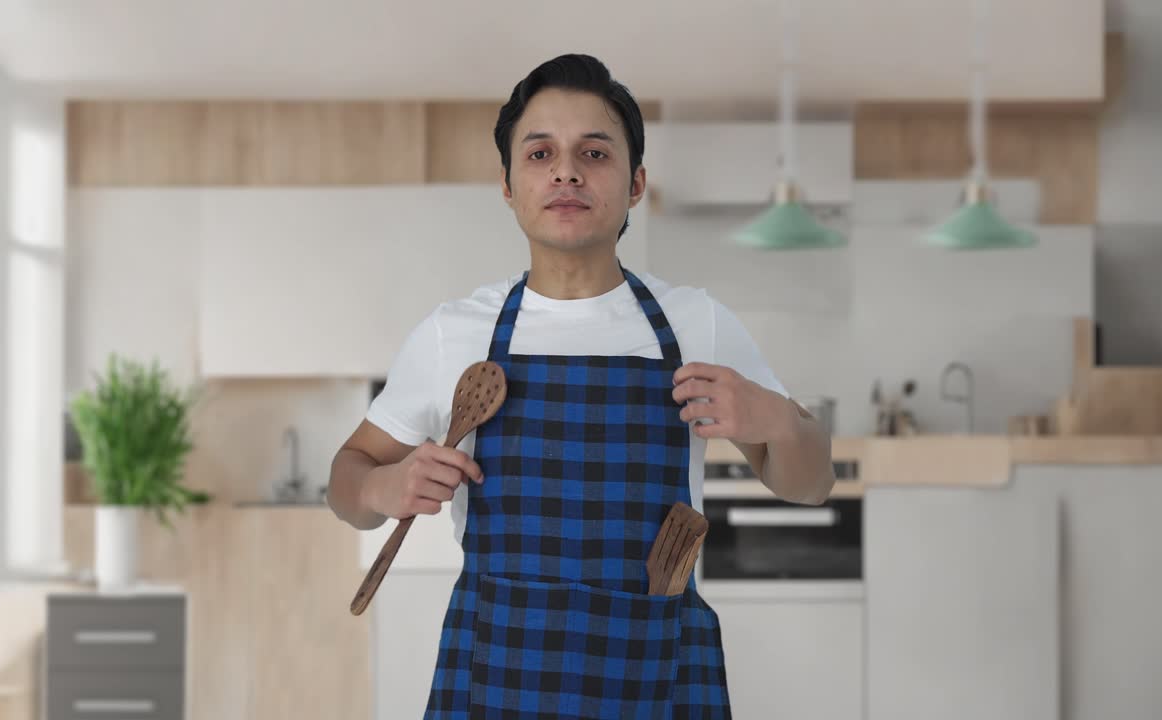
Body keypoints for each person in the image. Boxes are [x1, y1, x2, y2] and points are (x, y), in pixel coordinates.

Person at [328, 53, 835, 719]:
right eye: (539, 154)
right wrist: (380, 488)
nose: (566, 171)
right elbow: (347, 477)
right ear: (508, 185)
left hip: (654, 671)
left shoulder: (695, 324)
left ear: (635, 184)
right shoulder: (455, 334)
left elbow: (811, 482)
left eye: (594, 153)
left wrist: (780, 422)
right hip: (498, 672)